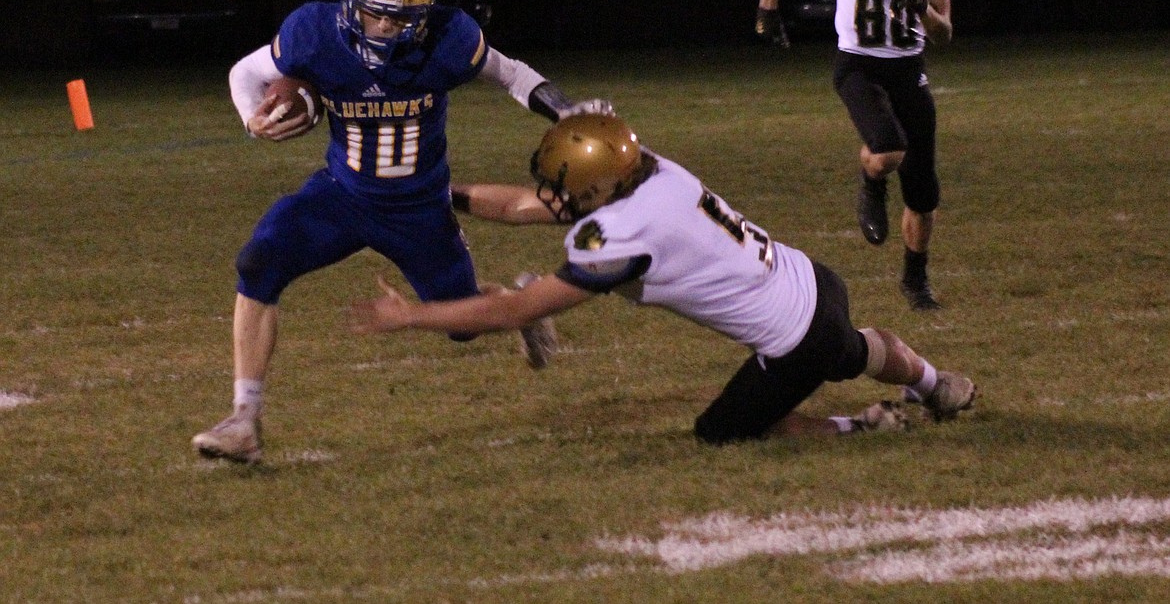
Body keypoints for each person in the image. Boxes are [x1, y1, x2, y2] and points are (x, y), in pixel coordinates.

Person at [192, 0, 610, 464]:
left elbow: (508, 71)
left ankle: (518, 305)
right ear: (350, 3)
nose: (386, 27)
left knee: (462, 327)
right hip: (341, 194)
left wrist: (563, 109)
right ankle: (243, 421)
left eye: (400, 17)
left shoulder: (447, 37)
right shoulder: (314, 33)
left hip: (419, 208)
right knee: (258, 262)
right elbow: (246, 73)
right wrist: (252, 119)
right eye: (374, 14)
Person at [352, 114, 978, 445]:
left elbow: (516, 310)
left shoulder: (621, 236)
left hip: (793, 339)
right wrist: (443, 195)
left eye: (568, 187)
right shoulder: (652, 173)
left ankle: (862, 427)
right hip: (812, 281)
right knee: (853, 345)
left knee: (724, 433)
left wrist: (412, 317)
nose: (555, 196)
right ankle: (936, 384)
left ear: (601, 186)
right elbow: (525, 203)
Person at [755, 0, 974, 311]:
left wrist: (922, 10)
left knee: (923, 189)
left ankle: (915, 279)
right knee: (889, 148)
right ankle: (871, 180)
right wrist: (767, 10)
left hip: (908, 66)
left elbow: (945, 33)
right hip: (858, 62)